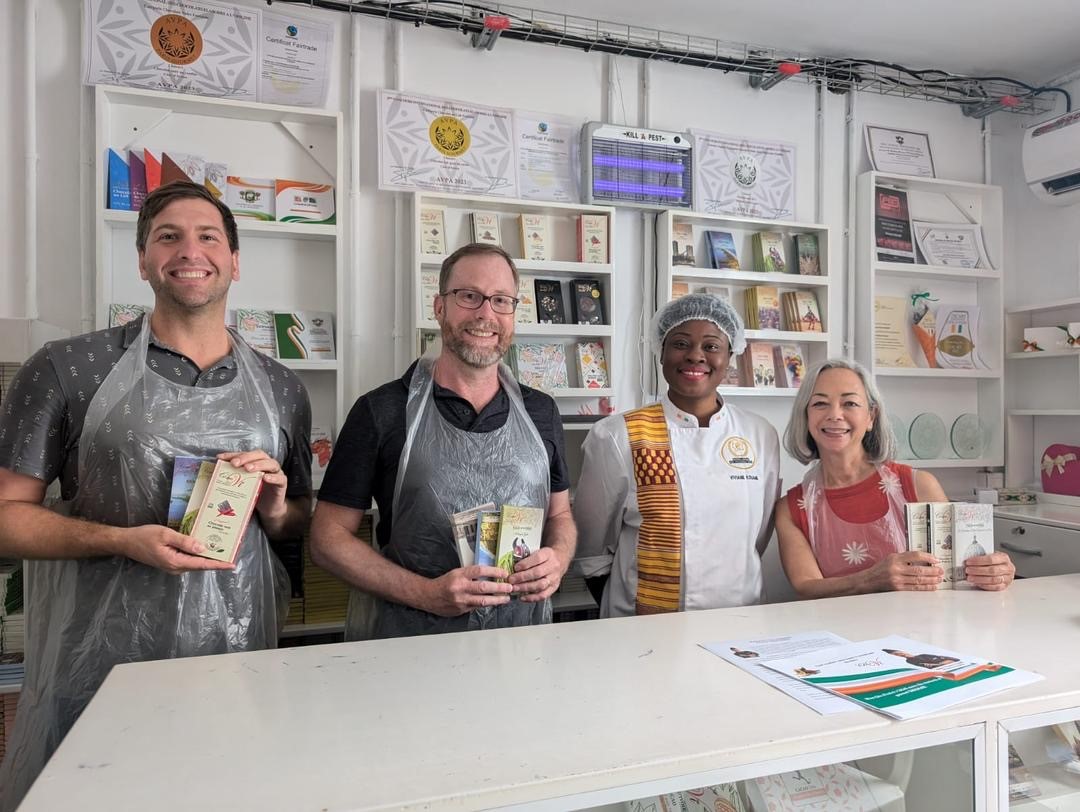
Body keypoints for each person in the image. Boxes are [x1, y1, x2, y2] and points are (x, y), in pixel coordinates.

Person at [0, 181, 313, 809]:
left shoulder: (281, 386)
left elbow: (296, 521)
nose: (189, 251)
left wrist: (275, 505)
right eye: (167, 236)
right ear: (142, 260)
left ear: (235, 261)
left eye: (209, 237)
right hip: (98, 658)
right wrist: (120, 541)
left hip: (235, 651)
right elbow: (6, 518)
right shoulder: (68, 367)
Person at [310, 243, 575, 639]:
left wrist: (558, 559)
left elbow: (560, 517)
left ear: (513, 314)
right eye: (469, 296)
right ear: (439, 308)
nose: (485, 314)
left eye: (501, 300)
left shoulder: (541, 412)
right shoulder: (381, 411)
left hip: (523, 642)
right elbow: (327, 538)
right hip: (413, 644)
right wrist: (427, 594)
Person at [574, 293, 780, 617]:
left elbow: (759, 533)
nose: (696, 356)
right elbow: (591, 548)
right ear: (661, 353)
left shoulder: (759, 435)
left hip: (740, 622)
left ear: (730, 356)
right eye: (681, 343)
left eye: (711, 346)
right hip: (643, 625)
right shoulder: (617, 435)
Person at [775, 358, 1014, 597]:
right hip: (838, 631)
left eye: (849, 403)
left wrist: (993, 571)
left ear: (871, 416)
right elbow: (806, 587)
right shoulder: (791, 509)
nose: (835, 415)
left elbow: (958, 577)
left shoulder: (920, 486)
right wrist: (871, 579)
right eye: (819, 404)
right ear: (806, 417)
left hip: (921, 629)